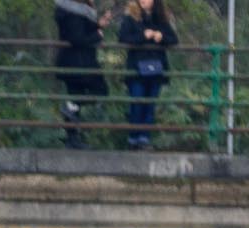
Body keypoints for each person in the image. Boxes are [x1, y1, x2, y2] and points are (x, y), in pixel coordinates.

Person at [117, 0, 177, 150]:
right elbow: (123, 38)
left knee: (149, 106)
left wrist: (161, 36)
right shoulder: (130, 17)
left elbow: (173, 39)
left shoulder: (160, 18)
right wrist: (143, 36)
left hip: (156, 69)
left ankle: (144, 139)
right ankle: (133, 139)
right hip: (137, 69)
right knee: (137, 104)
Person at [54, 0, 109, 149]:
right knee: (100, 91)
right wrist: (97, 35)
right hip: (78, 61)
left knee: (75, 97)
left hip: (76, 60)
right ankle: (71, 110)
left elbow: (81, 31)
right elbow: (77, 39)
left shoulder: (76, 10)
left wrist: (99, 25)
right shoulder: (72, 12)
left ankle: (72, 139)